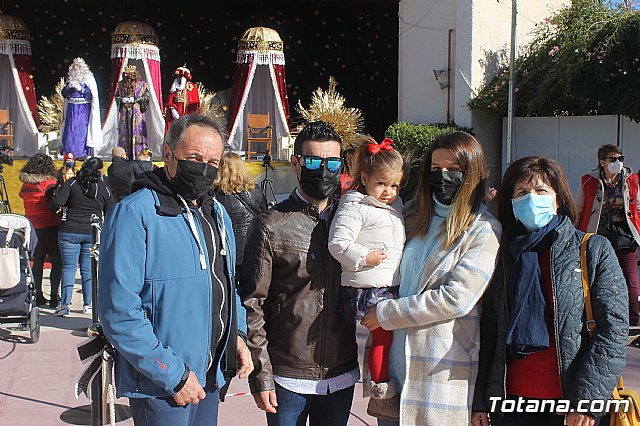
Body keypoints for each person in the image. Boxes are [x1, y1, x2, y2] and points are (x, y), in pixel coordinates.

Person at [98, 114, 252, 426]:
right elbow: (119, 310)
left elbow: (227, 284)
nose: (204, 168)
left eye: (212, 162)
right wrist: (172, 374)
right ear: (168, 154)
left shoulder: (217, 213)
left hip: (209, 375)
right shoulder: (135, 213)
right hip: (163, 384)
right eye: (194, 158)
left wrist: (237, 335)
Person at [472, 156, 628, 426]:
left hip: (572, 404)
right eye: (522, 192)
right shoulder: (500, 253)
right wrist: (480, 401)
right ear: (511, 203)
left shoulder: (592, 249)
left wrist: (587, 401)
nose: (531, 198)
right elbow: (488, 331)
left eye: (541, 190)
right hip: (509, 404)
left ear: (558, 199)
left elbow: (612, 329)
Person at [361, 131, 502, 426]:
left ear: (472, 173)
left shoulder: (483, 229)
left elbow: (455, 299)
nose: (443, 176)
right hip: (392, 369)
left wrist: (385, 313)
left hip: (437, 373)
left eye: (454, 169)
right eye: (436, 169)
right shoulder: (411, 213)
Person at [242, 121, 359, 426]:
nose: (324, 171)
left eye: (332, 163)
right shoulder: (271, 224)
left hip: (341, 372)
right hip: (287, 375)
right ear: (296, 164)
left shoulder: (352, 220)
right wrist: (261, 374)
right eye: (314, 162)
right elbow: (253, 303)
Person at [328, 136, 405, 412]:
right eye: (381, 183)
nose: (388, 191)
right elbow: (337, 242)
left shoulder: (395, 206)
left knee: (386, 337)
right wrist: (364, 257)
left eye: (394, 185)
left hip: (386, 282)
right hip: (368, 285)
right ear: (364, 178)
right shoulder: (355, 205)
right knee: (381, 336)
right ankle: (381, 385)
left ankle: (382, 382)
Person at [575, 144, 640, 327]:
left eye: (620, 159)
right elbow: (578, 209)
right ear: (602, 162)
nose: (618, 162)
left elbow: (638, 207)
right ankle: (596, 319)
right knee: (594, 278)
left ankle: (635, 323)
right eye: (613, 159)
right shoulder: (589, 181)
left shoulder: (631, 179)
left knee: (631, 281)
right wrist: (574, 234)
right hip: (598, 236)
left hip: (625, 236)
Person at [52, 157, 114, 316]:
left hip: (69, 230)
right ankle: (89, 304)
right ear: (100, 171)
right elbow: (110, 212)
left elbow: (56, 203)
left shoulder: (72, 183)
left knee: (68, 267)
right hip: (91, 232)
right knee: (89, 269)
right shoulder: (104, 188)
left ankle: (64, 304)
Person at [18, 153, 62, 308]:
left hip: (32, 226)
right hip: (50, 225)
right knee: (56, 261)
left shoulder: (25, 185)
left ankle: (38, 295)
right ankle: (54, 296)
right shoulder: (49, 184)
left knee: (37, 261)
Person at [212, 152, 267, 270]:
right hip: (255, 247)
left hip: (229, 250)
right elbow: (265, 216)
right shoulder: (256, 191)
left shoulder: (216, 195)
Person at [60, 57, 103, 158]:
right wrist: (68, 88)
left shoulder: (88, 77)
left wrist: (81, 89)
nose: (76, 68)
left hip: (83, 109)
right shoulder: (70, 78)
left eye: (78, 66)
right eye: (74, 66)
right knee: (70, 130)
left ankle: (82, 153)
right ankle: (69, 152)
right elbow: (64, 94)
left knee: (81, 131)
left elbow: (91, 95)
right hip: (71, 109)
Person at [115, 65, 150, 160]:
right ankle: (125, 155)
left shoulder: (142, 85)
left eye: (130, 75)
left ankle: (138, 155)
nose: (128, 77)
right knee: (125, 132)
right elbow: (117, 97)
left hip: (136, 111)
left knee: (137, 131)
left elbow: (146, 97)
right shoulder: (120, 84)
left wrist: (136, 99)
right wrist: (122, 99)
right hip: (125, 111)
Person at [164, 66, 200, 134]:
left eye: (180, 77)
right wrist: (173, 110)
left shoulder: (191, 87)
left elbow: (195, 103)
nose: (178, 79)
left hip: (186, 113)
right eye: (177, 77)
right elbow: (170, 101)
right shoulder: (174, 88)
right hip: (176, 114)